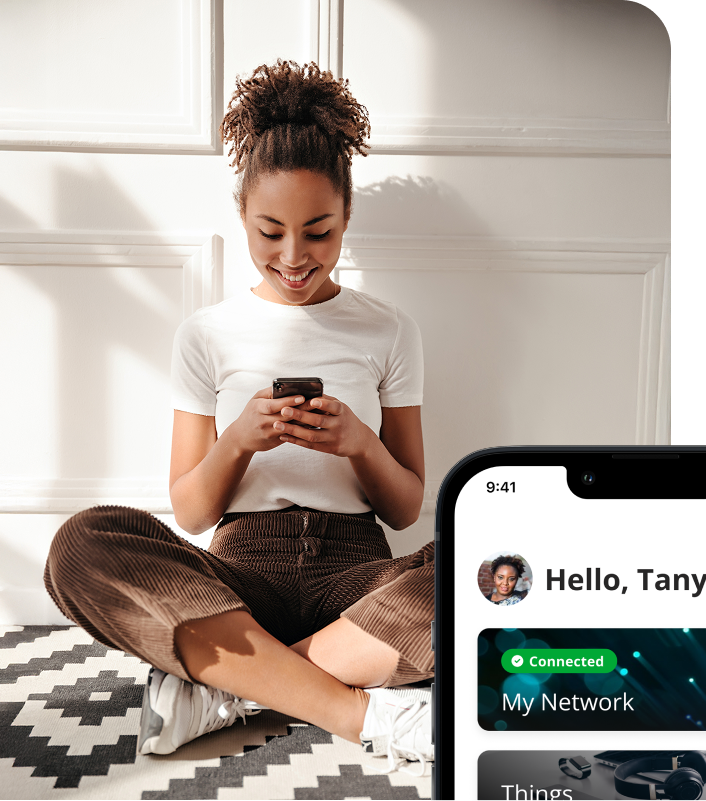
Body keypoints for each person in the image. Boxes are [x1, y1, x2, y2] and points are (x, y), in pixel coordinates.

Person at [43, 60, 433, 775]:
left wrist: (359, 445)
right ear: (243, 220)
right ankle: (353, 707)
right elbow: (191, 510)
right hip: (235, 578)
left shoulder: (390, 330)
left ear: (346, 218)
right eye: (270, 231)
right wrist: (238, 442)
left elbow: (408, 506)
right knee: (81, 544)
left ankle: (231, 685)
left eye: (318, 231)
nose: (293, 256)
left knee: (491, 570)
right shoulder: (207, 334)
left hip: (355, 578)